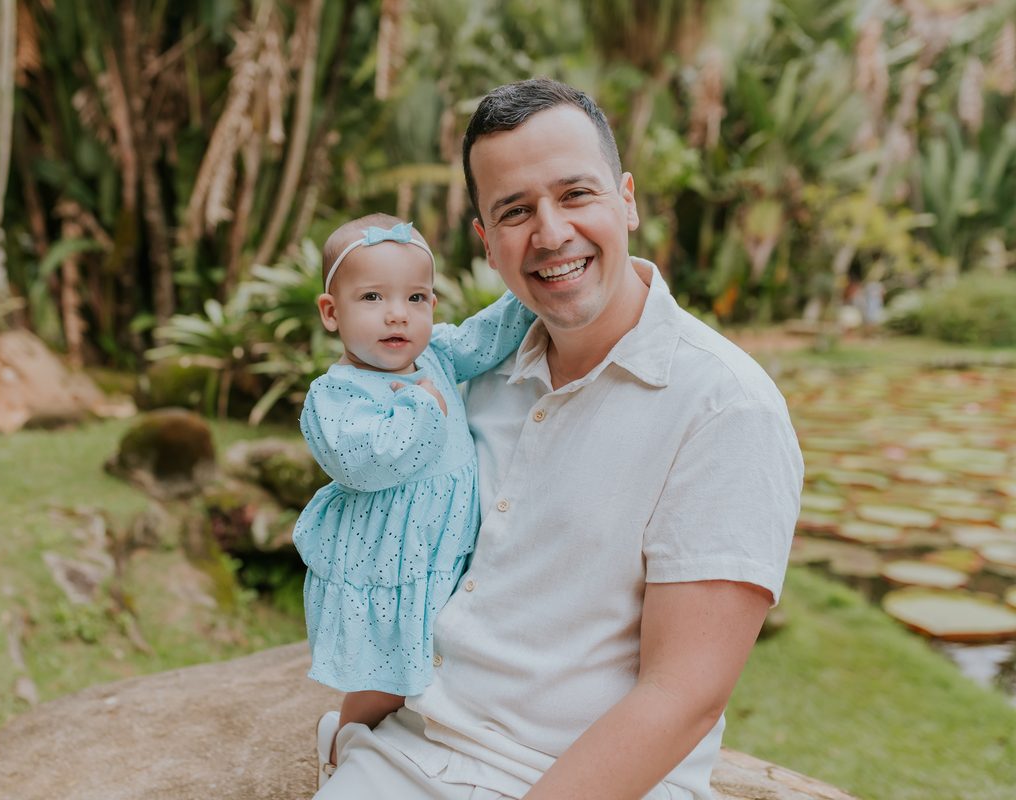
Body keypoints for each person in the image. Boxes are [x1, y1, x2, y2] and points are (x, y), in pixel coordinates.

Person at [313, 79, 803, 800]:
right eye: (515, 211)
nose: (550, 233)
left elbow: (683, 696)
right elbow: (407, 564)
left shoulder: (726, 407)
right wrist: (355, 732)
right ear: (486, 242)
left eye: (576, 194)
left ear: (626, 200)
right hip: (410, 755)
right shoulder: (466, 380)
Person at [292, 213, 536, 785]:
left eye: (416, 297)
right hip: (386, 567)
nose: (398, 313)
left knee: (435, 671)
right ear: (331, 312)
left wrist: (531, 289)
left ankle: (396, 749)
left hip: (442, 556)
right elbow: (370, 461)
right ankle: (342, 750)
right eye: (372, 297)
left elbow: (486, 336)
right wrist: (423, 405)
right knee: (382, 683)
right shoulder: (336, 396)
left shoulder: (436, 357)